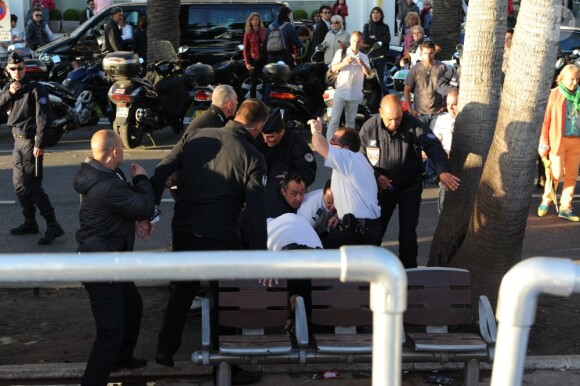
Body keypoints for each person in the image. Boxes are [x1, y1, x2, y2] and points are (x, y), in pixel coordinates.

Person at [150, 99, 269, 385]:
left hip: (186, 227)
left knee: (183, 288)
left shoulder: (197, 135)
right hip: (221, 235)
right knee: (225, 299)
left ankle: (165, 350)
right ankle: (224, 365)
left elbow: (162, 169)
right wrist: (262, 258)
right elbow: (255, 214)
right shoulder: (253, 157)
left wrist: (149, 212)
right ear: (259, 126)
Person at [74, 129, 154, 386]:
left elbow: (130, 203)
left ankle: (121, 358)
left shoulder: (103, 173)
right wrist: (142, 180)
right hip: (101, 265)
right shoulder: (108, 185)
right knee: (109, 332)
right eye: (121, 146)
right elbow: (143, 204)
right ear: (115, 152)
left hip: (111, 260)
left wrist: (141, 216)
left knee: (132, 306)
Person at [359, 95, 460, 268]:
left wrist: (442, 171)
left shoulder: (414, 124)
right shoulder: (369, 128)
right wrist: (375, 176)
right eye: (390, 119)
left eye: (398, 118)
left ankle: (409, 274)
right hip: (382, 189)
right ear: (380, 112)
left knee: (408, 236)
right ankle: (369, 271)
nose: (394, 123)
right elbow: (359, 157)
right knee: (375, 232)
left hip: (409, 188)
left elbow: (434, 147)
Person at [0, 52, 64, 245]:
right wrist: (9, 93)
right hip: (16, 142)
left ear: (25, 68)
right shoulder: (7, 89)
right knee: (19, 186)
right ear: (7, 70)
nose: (17, 72)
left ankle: (53, 225)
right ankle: (30, 221)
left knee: (33, 186)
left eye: (20, 68)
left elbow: (44, 118)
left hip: (30, 142)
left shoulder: (36, 89)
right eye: (13, 69)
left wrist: (39, 144)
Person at [308, 119, 383, 248]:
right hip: (361, 228)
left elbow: (319, 145)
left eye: (333, 143)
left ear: (345, 149)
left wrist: (316, 130)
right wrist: (340, 214)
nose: (330, 145)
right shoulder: (354, 162)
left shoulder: (349, 158)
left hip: (358, 232)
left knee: (317, 253)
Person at [537, 64, 580, 222]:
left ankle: (565, 207)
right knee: (555, 174)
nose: (574, 82)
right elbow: (545, 122)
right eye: (571, 79)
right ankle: (546, 201)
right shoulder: (553, 94)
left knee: (571, 176)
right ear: (562, 78)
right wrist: (543, 142)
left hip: (576, 141)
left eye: (577, 79)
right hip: (558, 141)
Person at [326, 31, 371, 140]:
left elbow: (369, 73)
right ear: (350, 40)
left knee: (350, 122)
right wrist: (345, 62)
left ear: (361, 43)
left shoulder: (364, 57)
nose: (356, 43)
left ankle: (347, 144)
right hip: (340, 91)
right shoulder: (341, 52)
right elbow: (332, 69)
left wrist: (362, 63)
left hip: (355, 93)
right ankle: (329, 143)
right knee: (334, 120)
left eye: (359, 41)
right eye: (354, 41)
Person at [256, 107, 317, 188]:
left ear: (282, 132)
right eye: (264, 136)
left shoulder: (296, 144)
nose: (266, 140)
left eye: (271, 137)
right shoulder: (259, 140)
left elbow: (309, 172)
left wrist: (291, 180)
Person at [403, 41, 447, 129]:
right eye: (425, 53)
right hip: (419, 113)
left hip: (437, 112)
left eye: (431, 53)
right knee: (420, 139)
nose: (428, 56)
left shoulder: (442, 67)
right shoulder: (414, 69)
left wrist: (446, 105)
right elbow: (407, 89)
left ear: (434, 52)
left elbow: (448, 87)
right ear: (421, 53)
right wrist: (410, 109)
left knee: (435, 139)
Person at [363, 7, 391, 95]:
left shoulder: (385, 27)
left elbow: (387, 40)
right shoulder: (367, 26)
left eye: (377, 13)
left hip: (380, 56)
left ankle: (386, 96)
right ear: (371, 15)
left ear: (381, 15)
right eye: (373, 13)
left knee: (379, 77)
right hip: (369, 56)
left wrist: (375, 37)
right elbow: (365, 39)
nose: (375, 14)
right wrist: (379, 39)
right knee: (367, 77)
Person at [243, 12, 267, 99]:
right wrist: (247, 63)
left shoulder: (264, 31)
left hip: (264, 59)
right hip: (254, 60)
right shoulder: (248, 33)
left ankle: (264, 101)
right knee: (253, 82)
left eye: (256, 19)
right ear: (250, 21)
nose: (255, 21)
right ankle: (252, 101)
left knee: (265, 81)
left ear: (259, 20)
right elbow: (245, 49)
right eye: (253, 19)